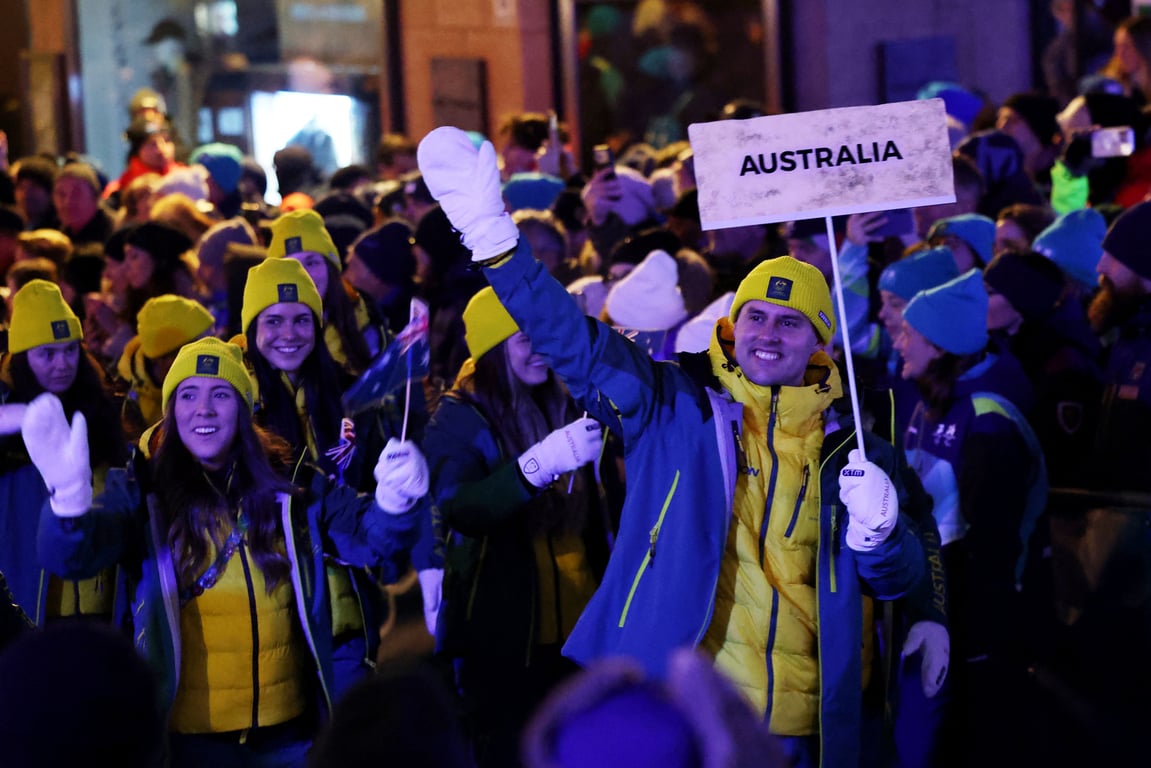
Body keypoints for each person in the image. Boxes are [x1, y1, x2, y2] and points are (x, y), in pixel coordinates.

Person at [417, 126, 929, 768]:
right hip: (692, 719)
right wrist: (495, 240)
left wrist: (881, 536)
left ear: (819, 340)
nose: (769, 334)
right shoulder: (676, 404)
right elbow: (574, 343)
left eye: (791, 322)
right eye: (755, 317)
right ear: (731, 325)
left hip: (812, 731)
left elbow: (896, 581)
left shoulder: (853, 449)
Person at [27, 335, 426, 766]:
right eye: (188, 394)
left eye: (221, 393)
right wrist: (67, 501)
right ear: (171, 411)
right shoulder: (143, 490)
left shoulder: (292, 484)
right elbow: (73, 556)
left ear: (244, 408)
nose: (204, 409)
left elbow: (373, 539)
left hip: (288, 741)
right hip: (189, 745)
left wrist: (395, 502)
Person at [423, 286, 613, 767]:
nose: (540, 349)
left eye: (543, 335)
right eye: (523, 338)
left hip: (578, 628)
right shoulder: (459, 417)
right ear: (492, 349)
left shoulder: (564, 398)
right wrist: (536, 467)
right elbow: (460, 508)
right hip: (506, 635)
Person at [893, 270, 1047, 766]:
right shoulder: (930, 403)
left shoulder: (987, 423)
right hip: (939, 604)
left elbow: (993, 547)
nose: (897, 340)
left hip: (976, 621)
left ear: (938, 347)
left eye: (907, 333)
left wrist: (974, 631)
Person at [0, 280, 129, 626]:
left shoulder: (100, 414)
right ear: (22, 358)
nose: (62, 364)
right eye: (47, 353)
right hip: (30, 608)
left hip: (101, 607)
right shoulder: (8, 429)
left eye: (70, 350)